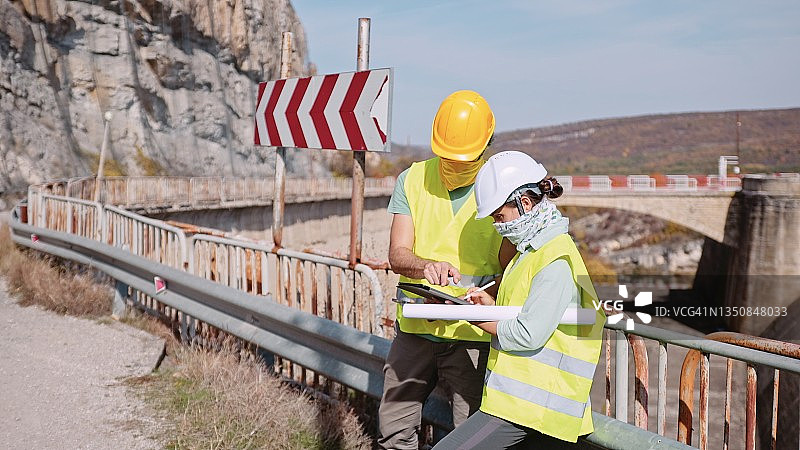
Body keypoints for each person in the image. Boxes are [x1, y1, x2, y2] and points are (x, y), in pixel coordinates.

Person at [432, 151, 606, 449]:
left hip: (534, 407)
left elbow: (528, 333)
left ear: (525, 203)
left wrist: (470, 316)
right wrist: (488, 307)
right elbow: (523, 312)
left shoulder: (555, 258)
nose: (497, 225)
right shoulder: (530, 252)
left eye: (499, 216)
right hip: (522, 404)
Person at [378, 91, 516, 449]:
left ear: (486, 146)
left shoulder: (501, 188)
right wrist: (426, 266)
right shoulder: (412, 180)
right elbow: (397, 254)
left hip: (472, 335)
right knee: (394, 432)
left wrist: (492, 291)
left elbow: (514, 266)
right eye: (448, 157)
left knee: (469, 440)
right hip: (417, 327)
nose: (454, 165)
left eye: (464, 158)